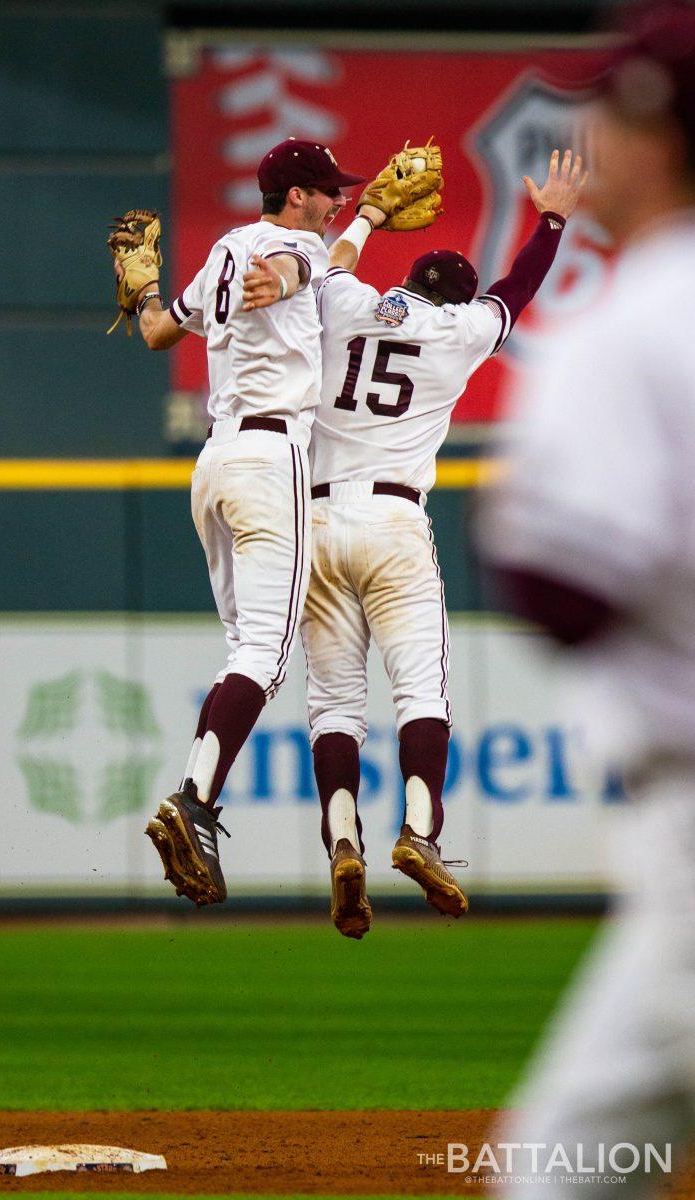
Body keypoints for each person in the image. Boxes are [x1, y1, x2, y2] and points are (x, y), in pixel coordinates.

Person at [478, 2, 695, 1194]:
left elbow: (559, 587)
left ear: (654, 135)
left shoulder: (627, 325)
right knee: (565, 1166)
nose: (589, 140)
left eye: (606, 114)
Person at [302, 148, 587, 938]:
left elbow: (329, 268)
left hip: (317, 521)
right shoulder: (463, 331)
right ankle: (419, 832)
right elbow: (516, 292)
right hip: (393, 522)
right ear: (455, 299)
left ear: (406, 285)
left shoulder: (350, 302)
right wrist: (552, 219)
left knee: (334, 706)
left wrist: (368, 214)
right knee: (420, 693)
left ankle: (343, 841)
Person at [112, 139, 368, 906]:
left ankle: (193, 795)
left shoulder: (227, 245)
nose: (336, 204)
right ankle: (193, 803)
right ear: (296, 197)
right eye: (328, 193)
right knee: (267, 648)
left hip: (214, 466)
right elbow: (297, 269)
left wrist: (145, 288)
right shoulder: (297, 247)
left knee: (245, 650)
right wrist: (284, 276)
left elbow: (160, 332)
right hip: (269, 460)